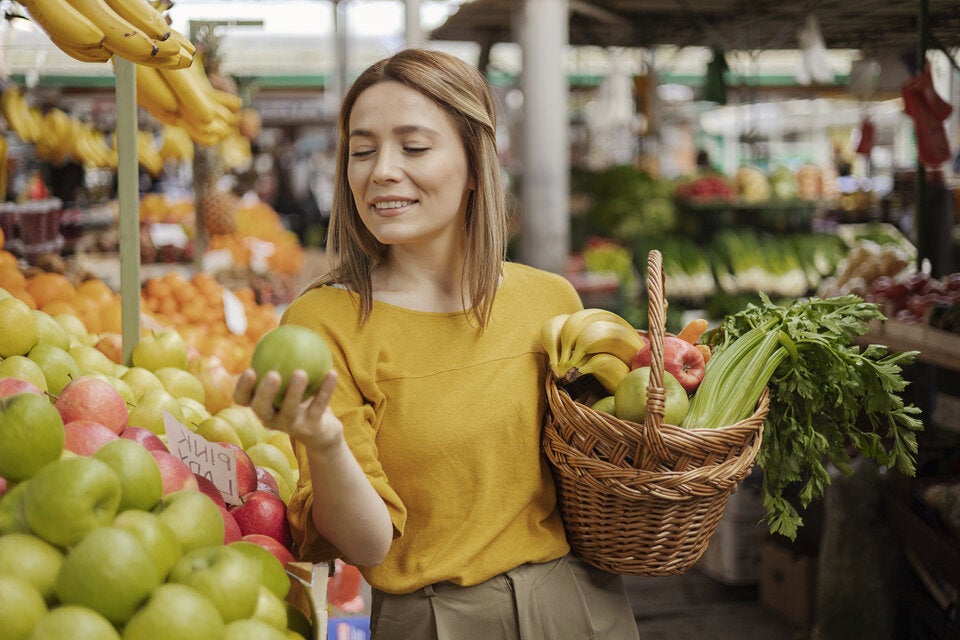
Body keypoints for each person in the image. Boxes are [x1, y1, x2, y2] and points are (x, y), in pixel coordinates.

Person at [234, 48, 640, 640]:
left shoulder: (551, 304)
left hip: (577, 604)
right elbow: (367, 544)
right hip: (433, 618)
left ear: (475, 164)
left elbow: (598, 468)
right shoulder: (322, 323)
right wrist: (322, 440)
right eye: (362, 151)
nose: (382, 171)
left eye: (414, 147)